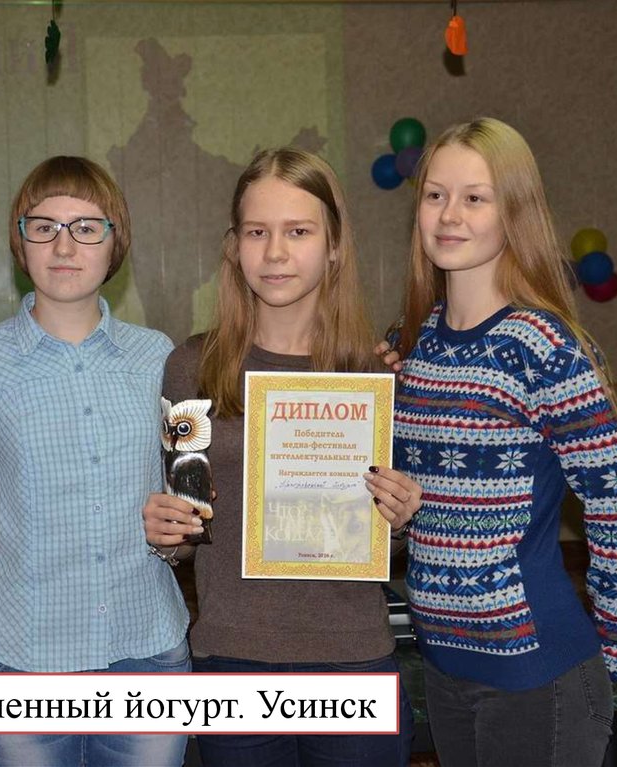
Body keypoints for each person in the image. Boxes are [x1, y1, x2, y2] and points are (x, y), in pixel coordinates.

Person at [143, 147, 420, 767]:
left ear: (334, 246)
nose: (274, 253)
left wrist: (402, 517)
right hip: (231, 659)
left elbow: (390, 543)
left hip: (352, 660)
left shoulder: (376, 374)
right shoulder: (191, 366)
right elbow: (186, 532)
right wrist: (167, 532)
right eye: (256, 232)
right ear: (234, 246)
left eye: (298, 232)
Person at [386, 117, 617, 767]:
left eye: (476, 197)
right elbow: (402, 506)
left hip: (539, 673)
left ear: (514, 211)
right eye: (435, 195)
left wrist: (613, 651)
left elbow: (616, 501)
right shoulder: (412, 346)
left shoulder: (545, 346)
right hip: (441, 666)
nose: (449, 214)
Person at [0, 155, 190, 767]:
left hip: (145, 654)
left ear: (114, 243)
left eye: (86, 227)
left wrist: (177, 537)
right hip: (17, 661)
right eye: (44, 226)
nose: (64, 245)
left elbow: (184, 511)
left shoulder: (160, 358)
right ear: (20, 243)